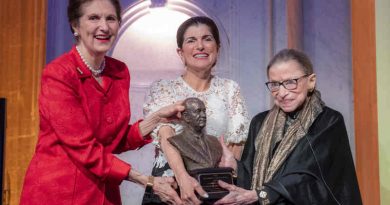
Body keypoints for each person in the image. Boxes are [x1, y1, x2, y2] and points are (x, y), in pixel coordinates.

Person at [20, 0, 184, 204]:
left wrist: (156, 119)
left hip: (104, 191)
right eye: (93, 18)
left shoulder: (119, 71)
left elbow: (114, 139)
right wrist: (147, 181)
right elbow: (84, 148)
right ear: (75, 25)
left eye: (111, 18)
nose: (104, 27)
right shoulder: (58, 74)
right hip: (59, 193)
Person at [214, 49, 362, 205]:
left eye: (291, 82)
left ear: (311, 81)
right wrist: (235, 167)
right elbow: (251, 178)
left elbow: (310, 180)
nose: (282, 92)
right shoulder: (259, 123)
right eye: (275, 84)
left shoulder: (328, 121)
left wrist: (263, 194)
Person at [142, 16, 250, 204]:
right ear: (180, 52)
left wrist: (226, 183)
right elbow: (165, 136)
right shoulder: (163, 88)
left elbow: (235, 144)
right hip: (171, 186)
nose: (200, 46)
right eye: (191, 40)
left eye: (207, 39)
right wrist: (183, 178)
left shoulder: (230, 89)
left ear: (217, 48)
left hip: (216, 188)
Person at [167, 97, 222, 171]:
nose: (203, 115)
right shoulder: (177, 141)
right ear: (186, 117)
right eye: (198, 111)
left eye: (204, 111)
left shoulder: (214, 141)